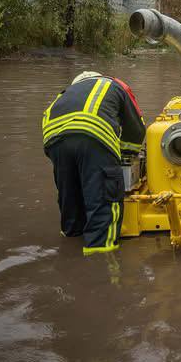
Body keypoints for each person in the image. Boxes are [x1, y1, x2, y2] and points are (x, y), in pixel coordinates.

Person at [42, 71, 145, 255]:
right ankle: (100, 258)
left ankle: (70, 245)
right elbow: (135, 128)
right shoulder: (114, 85)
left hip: (53, 140)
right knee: (104, 199)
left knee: (70, 197)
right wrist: (126, 156)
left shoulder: (65, 93)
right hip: (93, 134)